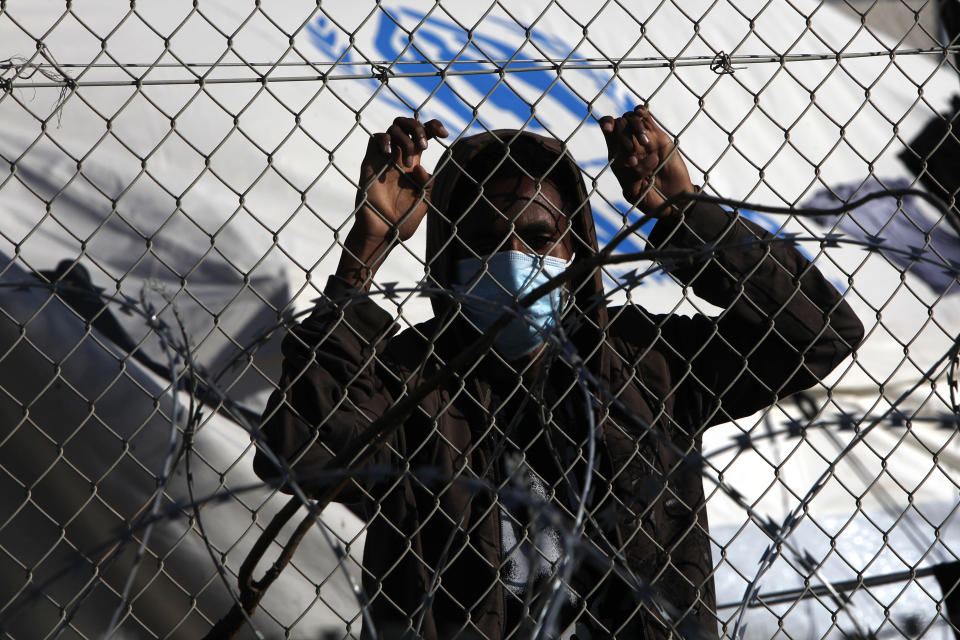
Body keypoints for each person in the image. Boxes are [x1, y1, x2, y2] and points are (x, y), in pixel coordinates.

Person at [254, 107, 864, 639]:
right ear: (449, 259)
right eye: (487, 242)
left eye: (541, 237)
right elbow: (297, 452)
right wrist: (364, 254)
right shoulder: (413, 381)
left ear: (576, 251)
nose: (517, 259)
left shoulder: (642, 365)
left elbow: (819, 334)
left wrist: (683, 216)